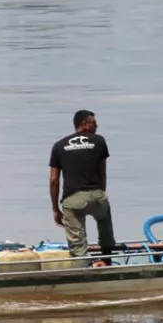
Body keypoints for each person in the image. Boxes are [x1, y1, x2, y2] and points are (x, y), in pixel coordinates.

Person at [49, 110, 114, 266]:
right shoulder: (99, 141)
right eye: (94, 123)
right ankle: (107, 258)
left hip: (73, 200)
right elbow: (102, 173)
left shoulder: (59, 146)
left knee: (78, 245)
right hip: (97, 196)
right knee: (104, 218)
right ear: (84, 124)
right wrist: (101, 194)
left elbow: (54, 180)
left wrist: (55, 209)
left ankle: (82, 267)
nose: (97, 127)